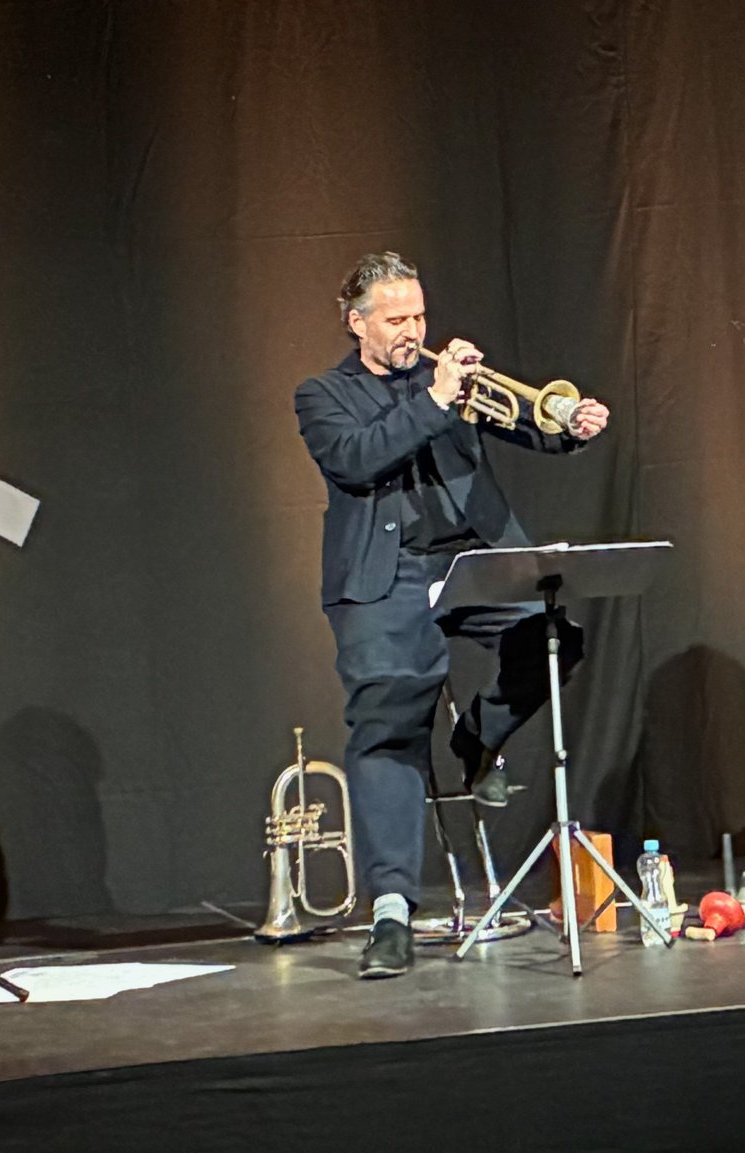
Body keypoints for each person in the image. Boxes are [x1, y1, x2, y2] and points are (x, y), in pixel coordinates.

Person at [295, 252, 610, 979]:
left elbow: (524, 421)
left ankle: (477, 735)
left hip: (472, 558)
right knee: (388, 721)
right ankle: (392, 912)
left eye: (419, 315)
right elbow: (356, 459)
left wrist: (568, 424)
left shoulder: (449, 379)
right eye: (396, 319)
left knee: (553, 638)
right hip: (386, 579)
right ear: (357, 323)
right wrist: (436, 398)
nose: (413, 330)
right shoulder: (322, 395)